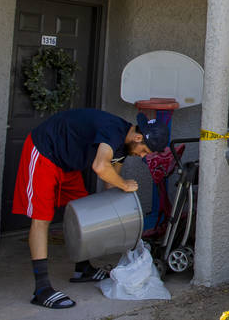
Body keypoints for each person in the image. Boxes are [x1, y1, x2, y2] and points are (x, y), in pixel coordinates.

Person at [11, 108, 170, 309]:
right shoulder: (113, 132)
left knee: (85, 212)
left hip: (68, 163)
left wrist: (123, 215)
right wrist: (124, 183)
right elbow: (100, 167)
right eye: (145, 151)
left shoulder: (124, 146)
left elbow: (110, 185)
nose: (141, 156)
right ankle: (41, 289)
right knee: (42, 218)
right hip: (44, 150)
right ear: (138, 137)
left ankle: (82, 268)